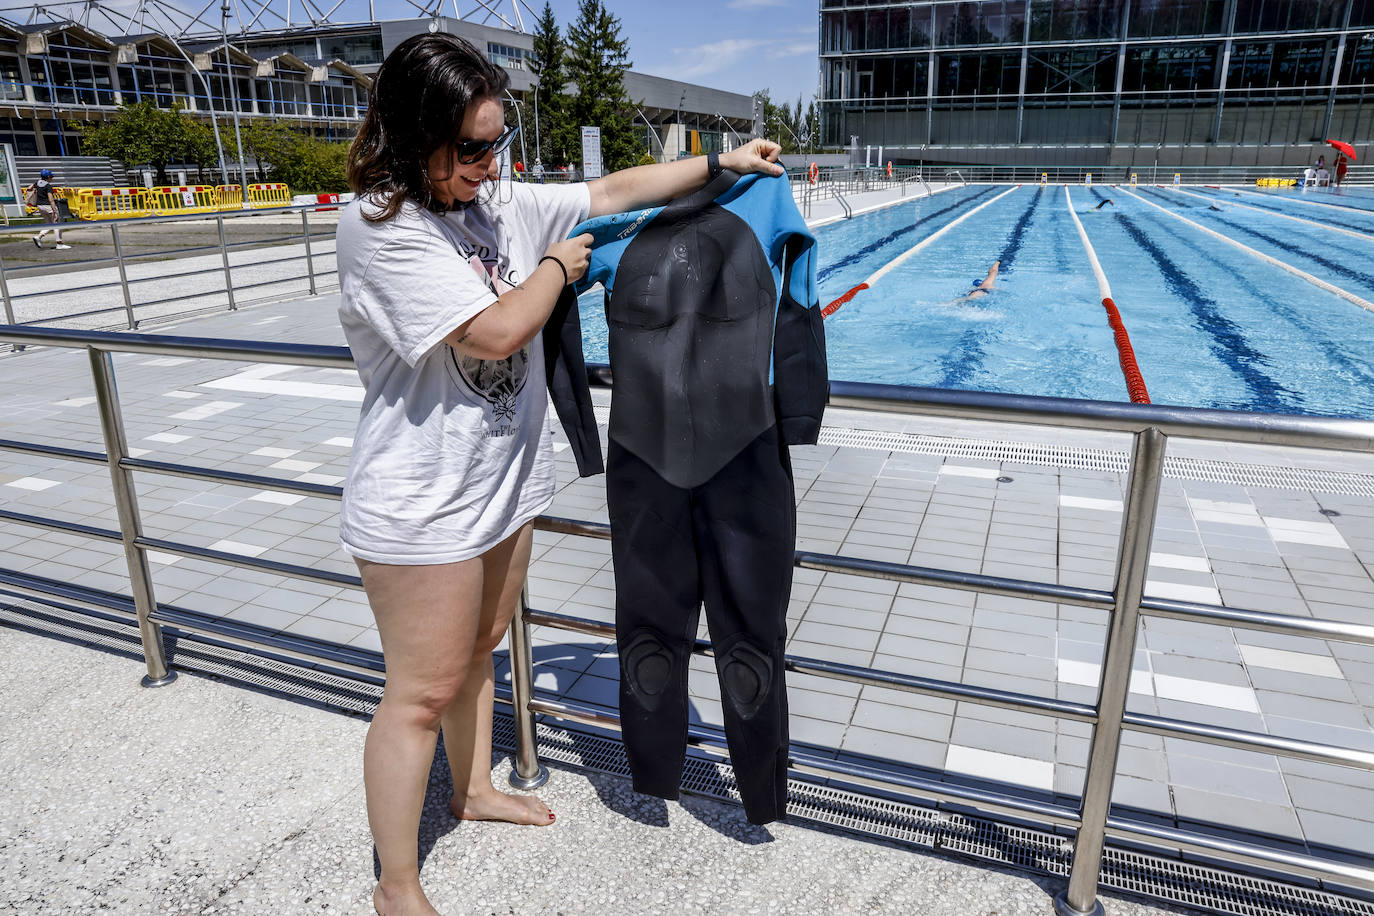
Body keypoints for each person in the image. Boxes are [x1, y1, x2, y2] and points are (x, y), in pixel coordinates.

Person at [336, 32, 783, 916]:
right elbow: (494, 333)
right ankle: (397, 884)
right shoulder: (380, 224)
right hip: (420, 505)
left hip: (499, 487)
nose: (487, 163)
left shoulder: (490, 199)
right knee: (419, 692)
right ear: (411, 132)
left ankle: (469, 791)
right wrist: (554, 267)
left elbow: (611, 190)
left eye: (496, 142)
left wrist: (719, 163)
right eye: (469, 147)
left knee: (478, 656)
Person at [27, 169, 69, 250]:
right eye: (51, 177)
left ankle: (38, 237)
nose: (52, 178)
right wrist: (55, 211)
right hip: (48, 206)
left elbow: (29, 188)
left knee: (49, 224)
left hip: (40, 206)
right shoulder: (48, 186)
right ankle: (59, 243)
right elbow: (51, 199)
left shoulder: (37, 183)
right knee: (56, 224)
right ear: (48, 177)